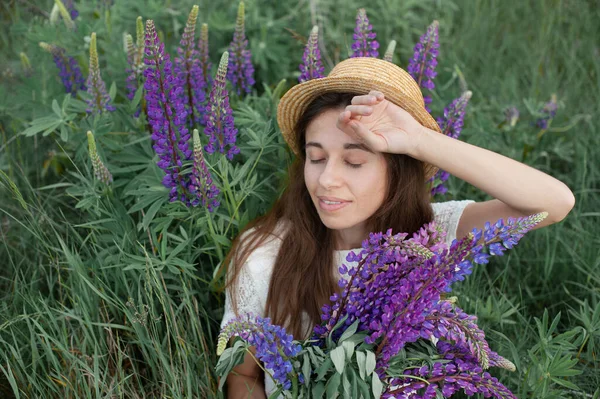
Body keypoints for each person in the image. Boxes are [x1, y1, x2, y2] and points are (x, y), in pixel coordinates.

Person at [218, 57, 575, 398]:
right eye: (317, 158)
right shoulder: (266, 253)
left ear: (398, 171)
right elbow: (243, 374)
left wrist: (419, 141)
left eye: (354, 161)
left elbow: (554, 203)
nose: (327, 180)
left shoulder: (429, 233)